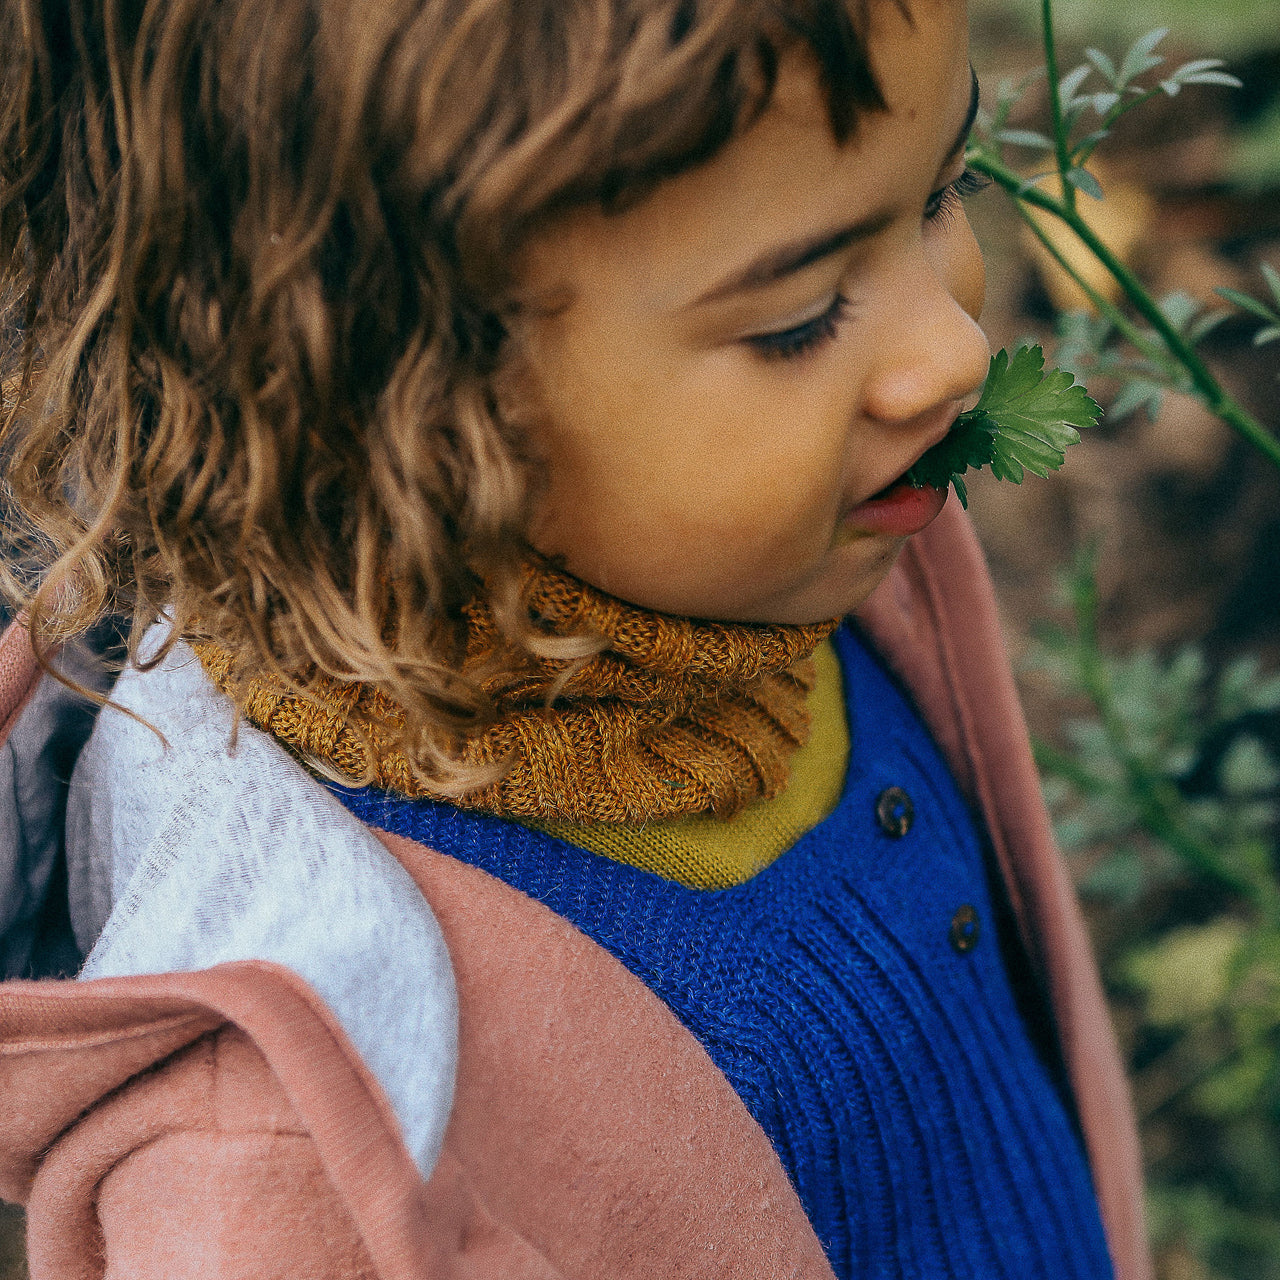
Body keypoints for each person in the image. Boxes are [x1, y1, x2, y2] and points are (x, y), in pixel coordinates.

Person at [0, 0, 1151, 1276]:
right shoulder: (299, 1153)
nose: (952, 352)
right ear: (390, 407)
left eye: (941, 194)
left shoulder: (809, 552)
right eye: (797, 315)